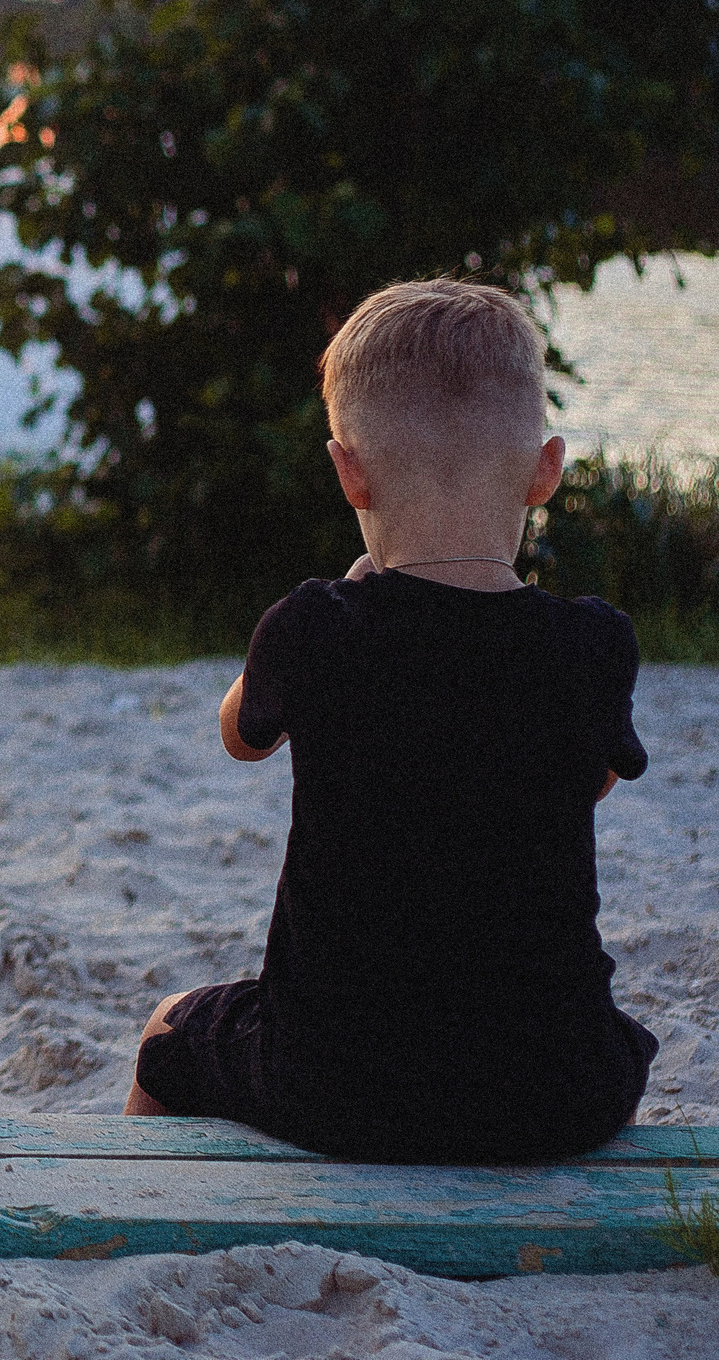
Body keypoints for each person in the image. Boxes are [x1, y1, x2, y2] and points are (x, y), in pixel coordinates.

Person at [123, 279, 656, 1163]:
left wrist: (310, 634)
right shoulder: (594, 642)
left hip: (336, 1084)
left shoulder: (316, 625)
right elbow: (589, 781)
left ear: (347, 470)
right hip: (554, 1087)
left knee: (169, 1029)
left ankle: (144, 1208)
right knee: (603, 1041)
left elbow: (240, 734)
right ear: (546, 470)